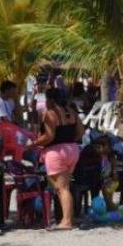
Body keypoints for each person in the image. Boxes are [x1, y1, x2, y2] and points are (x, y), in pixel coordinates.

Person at [27, 88, 81, 230]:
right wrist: (68, 140)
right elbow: (81, 131)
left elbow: (49, 136)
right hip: (73, 150)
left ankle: (67, 221)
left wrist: (32, 144)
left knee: (62, 189)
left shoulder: (50, 114)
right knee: (65, 187)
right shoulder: (72, 111)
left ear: (50, 100)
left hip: (57, 152)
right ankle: (66, 218)